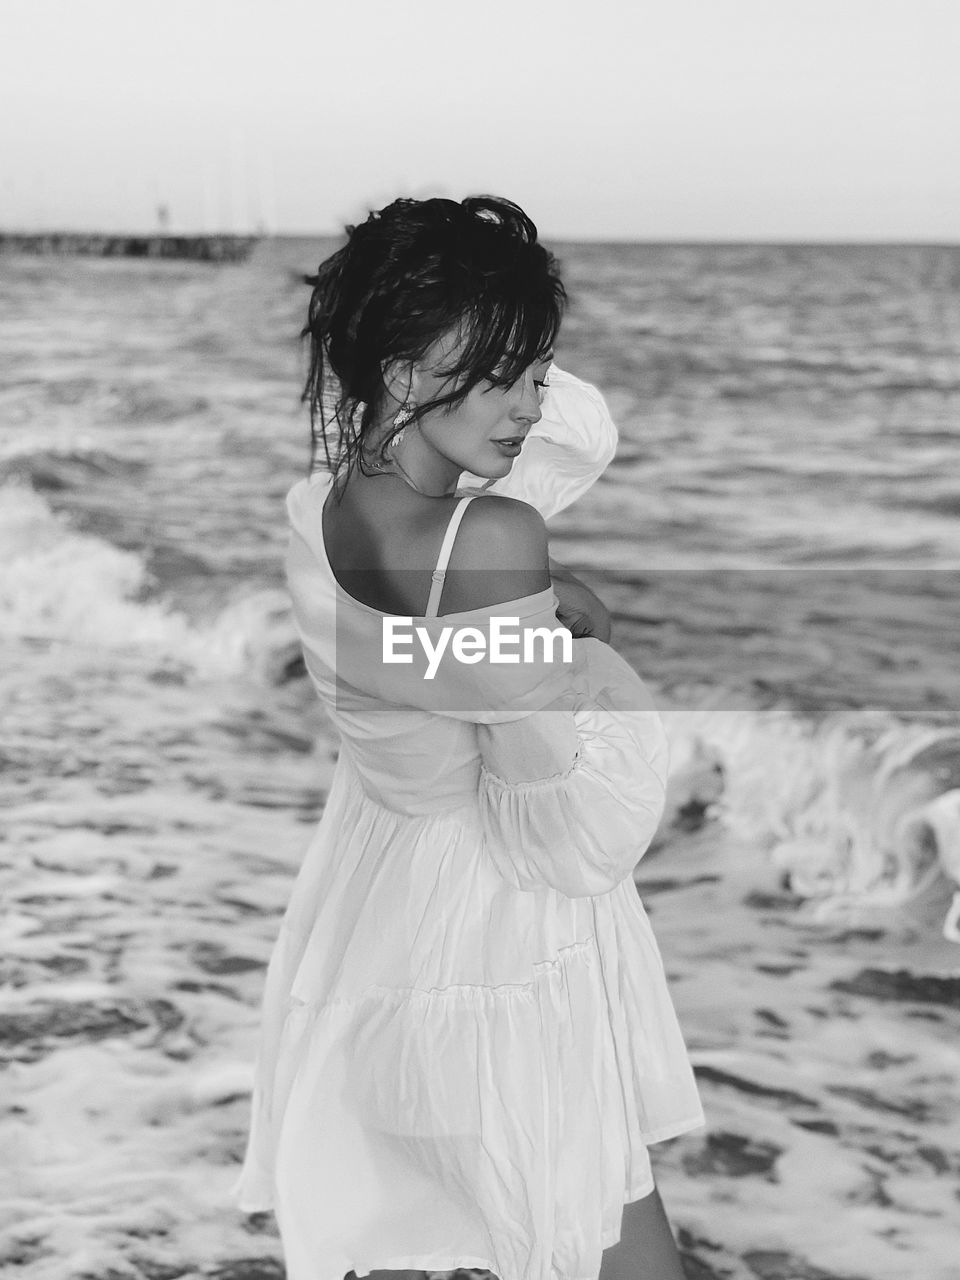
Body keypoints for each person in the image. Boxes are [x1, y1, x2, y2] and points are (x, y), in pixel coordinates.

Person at [230, 195, 705, 1280]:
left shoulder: (326, 504)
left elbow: (557, 451)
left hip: (379, 914)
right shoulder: (490, 536)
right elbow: (571, 829)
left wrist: (468, 330)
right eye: (500, 372)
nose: (533, 406)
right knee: (580, 1223)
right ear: (401, 369)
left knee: (431, 1232)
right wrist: (589, 649)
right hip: (497, 935)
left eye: (537, 368)